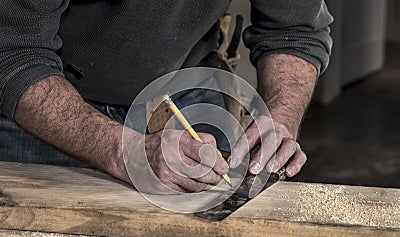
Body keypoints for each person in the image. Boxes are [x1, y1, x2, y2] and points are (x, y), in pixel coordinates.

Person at [0, 1, 333, 193]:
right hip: (48, 106)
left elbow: (294, 30)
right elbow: (13, 53)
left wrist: (280, 116)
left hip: (186, 89)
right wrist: (124, 151)